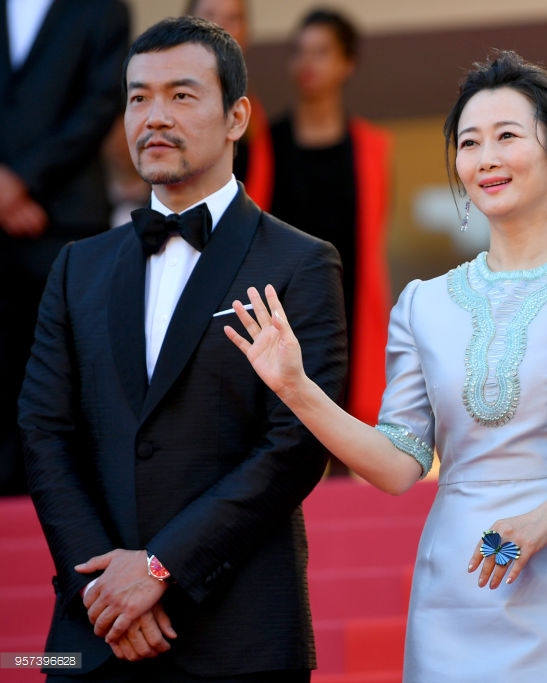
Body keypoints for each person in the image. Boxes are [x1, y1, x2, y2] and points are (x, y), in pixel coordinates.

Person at [226, 50, 547, 682]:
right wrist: (296, 388)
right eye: (469, 142)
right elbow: (397, 465)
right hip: (456, 591)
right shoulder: (423, 304)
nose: (485, 157)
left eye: (507, 136)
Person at [19, 16, 346, 681]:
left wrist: (160, 568)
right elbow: (44, 430)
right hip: (92, 639)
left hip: (238, 636)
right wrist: (102, 589)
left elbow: (295, 443)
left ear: (236, 118)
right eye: (138, 97)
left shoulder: (301, 263)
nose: (155, 116)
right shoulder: (77, 267)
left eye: (181, 95)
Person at [0, 0, 129, 496]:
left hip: (67, 218)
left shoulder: (102, 9)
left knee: (67, 374)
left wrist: (22, 181)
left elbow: (100, 102)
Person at [270, 8, 392, 429]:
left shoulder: (371, 149)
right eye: (299, 51)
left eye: (321, 52)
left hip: (349, 315)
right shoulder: (265, 145)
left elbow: (373, 243)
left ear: (347, 64)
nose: (307, 62)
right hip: (282, 313)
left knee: (350, 432)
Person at [185, 0, 274, 209]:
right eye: (209, 16)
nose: (220, 28)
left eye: (233, 18)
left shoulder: (252, 110)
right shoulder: (167, 102)